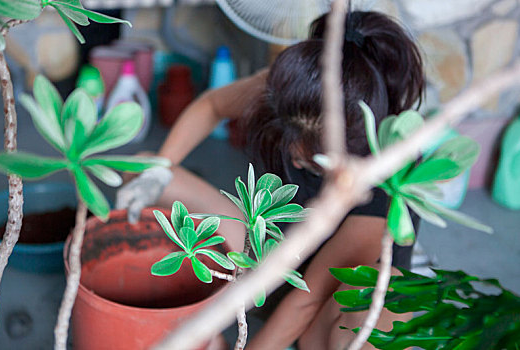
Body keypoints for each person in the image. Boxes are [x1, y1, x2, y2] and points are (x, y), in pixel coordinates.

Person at [116, 10, 425, 350]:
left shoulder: (389, 161)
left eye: (312, 159)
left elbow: (308, 298)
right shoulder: (293, 93)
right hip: (266, 257)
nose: (293, 158)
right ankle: (210, 308)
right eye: (286, 138)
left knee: (377, 300)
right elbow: (211, 106)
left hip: (324, 306)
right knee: (144, 170)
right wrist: (161, 169)